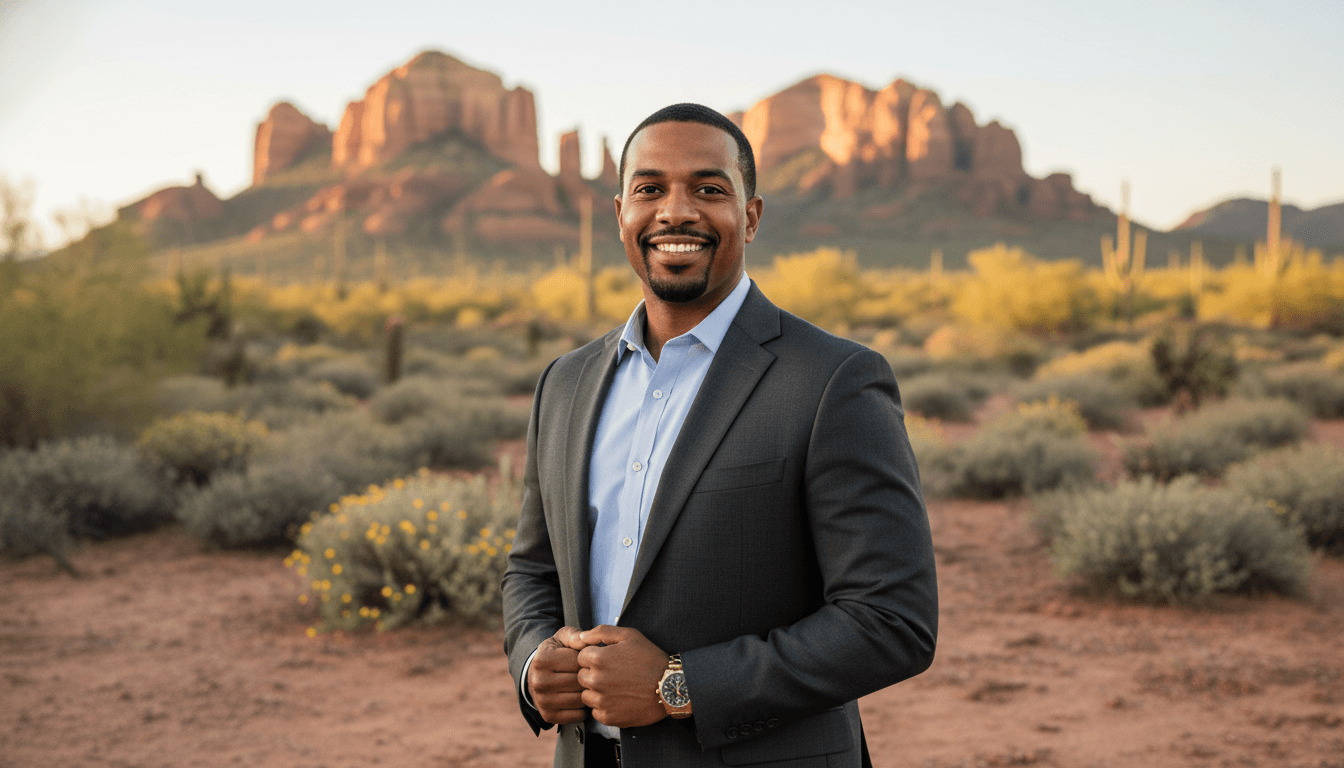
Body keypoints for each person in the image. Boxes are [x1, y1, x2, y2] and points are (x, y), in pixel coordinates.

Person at [502, 103, 938, 768]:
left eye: (709, 189)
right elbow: (532, 568)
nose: (675, 212)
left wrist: (678, 687)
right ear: (621, 212)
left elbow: (892, 621)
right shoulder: (565, 383)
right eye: (650, 190)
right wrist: (535, 660)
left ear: (752, 216)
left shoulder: (833, 380)